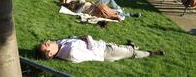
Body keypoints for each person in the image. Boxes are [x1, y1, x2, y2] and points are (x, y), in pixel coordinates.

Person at [35, 35, 165, 63]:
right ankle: (151, 53)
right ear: (50, 53)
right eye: (46, 45)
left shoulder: (59, 43)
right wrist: (88, 38)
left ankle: (131, 46)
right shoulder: (71, 53)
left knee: (123, 47)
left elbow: (73, 38)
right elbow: (92, 52)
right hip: (106, 52)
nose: (47, 41)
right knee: (131, 53)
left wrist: (80, 37)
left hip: (104, 45)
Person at [60, 0, 141, 21]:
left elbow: (80, 1)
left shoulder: (75, 2)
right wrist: (85, 4)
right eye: (65, 0)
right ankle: (129, 14)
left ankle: (122, 11)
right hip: (96, 8)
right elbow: (77, 12)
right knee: (110, 3)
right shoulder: (76, 7)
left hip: (95, 5)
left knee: (109, 0)